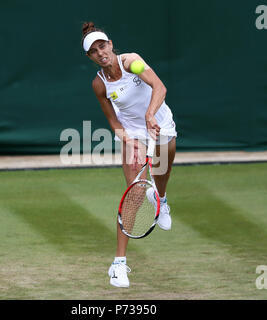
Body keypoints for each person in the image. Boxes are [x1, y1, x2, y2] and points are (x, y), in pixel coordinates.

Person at [82, 22, 177, 288]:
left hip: (161, 124)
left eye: (103, 46)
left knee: (163, 171)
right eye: (94, 51)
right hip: (133, 134)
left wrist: (150, 115)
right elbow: (113, 121)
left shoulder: (132, 62)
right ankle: (118, 265)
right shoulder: (99, 85)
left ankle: (160, 198)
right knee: (133, 195)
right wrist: (128, 140)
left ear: (110, 45)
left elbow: (159, 87)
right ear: (90, 57)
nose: (100, 53)